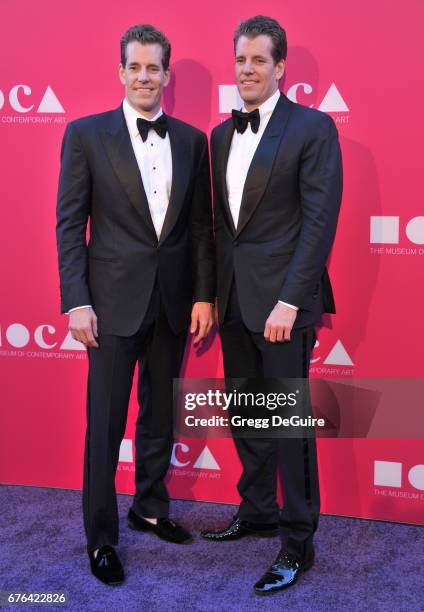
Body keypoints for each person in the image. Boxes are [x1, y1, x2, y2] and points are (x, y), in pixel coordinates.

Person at [56, 24, 215, 585]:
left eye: (155, 68)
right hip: (110, 304)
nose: (145, 77)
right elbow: (70, 224)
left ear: (167, 76)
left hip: (172, 304)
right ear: (121, 72)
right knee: (104, 425)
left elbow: (200, 229)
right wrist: (76, 302)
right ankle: (101, 539)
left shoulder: (194, 141)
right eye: (136, 67)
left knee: (158, 415)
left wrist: (202, 294)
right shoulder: (85, 135)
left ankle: (149, 508)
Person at [201, 15, 342, 595]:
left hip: (283, 304)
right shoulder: (218, 135)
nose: (248, 70)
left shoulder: (313, 128)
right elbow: (217, 227)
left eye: (259, 60)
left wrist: (290, 300)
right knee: (246, 413)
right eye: (241, 60)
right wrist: (208, 295)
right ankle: (257, 509)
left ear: (280, 66)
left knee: (288, 426)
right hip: (234, 301)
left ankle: (297, 543)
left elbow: (319, 221)